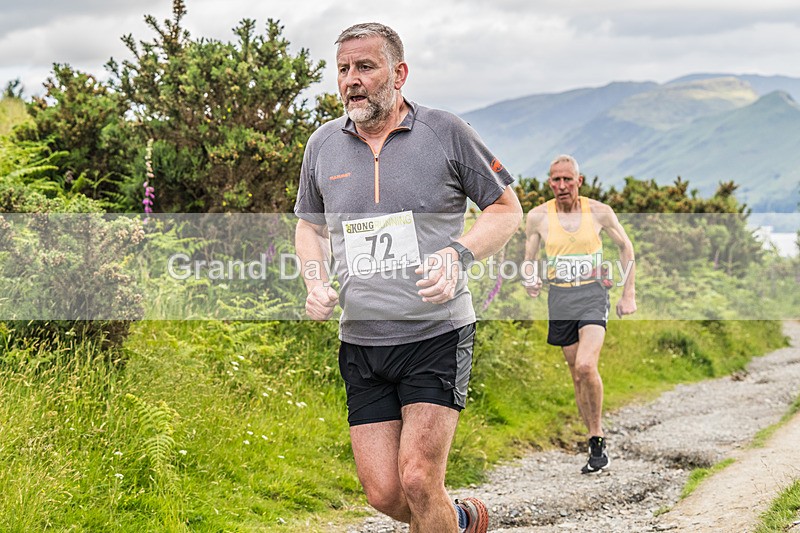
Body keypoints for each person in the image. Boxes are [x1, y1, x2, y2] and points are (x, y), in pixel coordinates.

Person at [293, 22, 522, 533]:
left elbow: (506, 209)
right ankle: (458, 521)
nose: (351, 80)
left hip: (435, 332)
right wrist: (314, 279)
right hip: (362, 339)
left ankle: (442, 515)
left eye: (365, 67)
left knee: (419, 480)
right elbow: (309, 227)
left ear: (399, 73)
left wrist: (457, 255)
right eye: (343, 70)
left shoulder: (445, 132)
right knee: (386, 493)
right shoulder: (323, 144)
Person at [523, 154, 636, 474]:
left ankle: (598, 436)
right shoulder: (537, 217)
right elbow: (529, 258)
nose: (561, 186)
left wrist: (629, 294)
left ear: (579, 181)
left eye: (567, 180)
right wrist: (530, 279)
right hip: (560, 298)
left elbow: (626, 247)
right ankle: (592, 441)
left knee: (586, 365)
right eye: (555, 180)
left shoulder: (599, 212)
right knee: (576, 373)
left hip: (592, 294)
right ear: (550, 182)